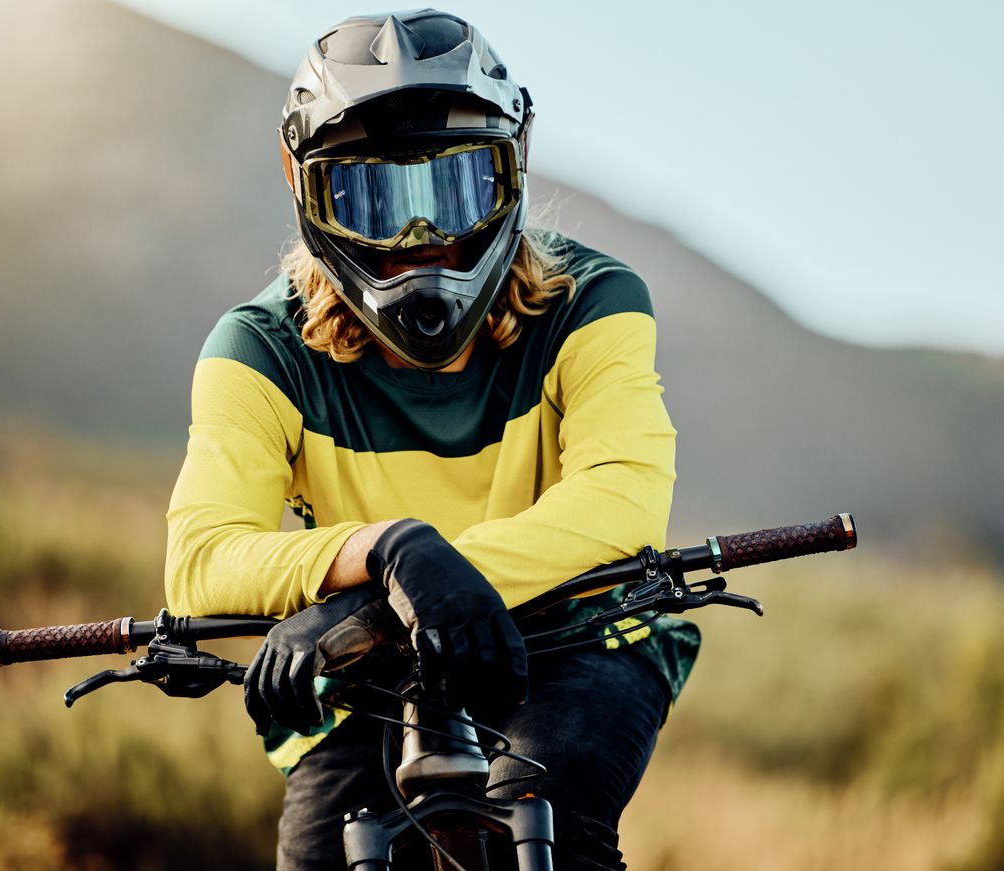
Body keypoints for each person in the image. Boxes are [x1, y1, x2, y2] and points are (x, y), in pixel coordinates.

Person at [165, 10, 700, 869]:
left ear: (515, 164)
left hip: (576, 634)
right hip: (369, 669)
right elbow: (200, 561)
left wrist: (385, 596)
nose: (422, 244)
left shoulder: (593, 301)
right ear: (302, 187)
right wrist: (389, 550)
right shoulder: (259, 349)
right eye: (371, 201)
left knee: (546, 818)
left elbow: (620, 501)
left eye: (454, 191)